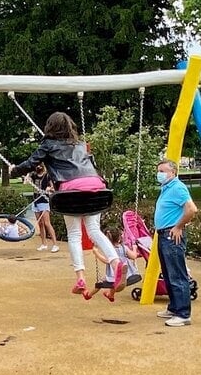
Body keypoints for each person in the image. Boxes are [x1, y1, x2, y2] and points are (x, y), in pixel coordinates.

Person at [10, 112, 123, 298]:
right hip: (97, 188)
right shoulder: (81, 145)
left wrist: (14, 171)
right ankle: (116, 262)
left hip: (71, 191)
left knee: (74, 234)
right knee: (94, 230)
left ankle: (80, 277)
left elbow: (31, 163)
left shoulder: (47, 144)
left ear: (49, 127)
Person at [154, 159, 198, 326]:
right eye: (159, 171)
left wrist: (179, 226)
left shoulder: (178, 188)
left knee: (177, 274)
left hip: (171, 235)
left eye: (163, 171)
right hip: (164, 234)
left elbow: (192, 209)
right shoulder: (167, 188)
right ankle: (174, 307)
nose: (160, 174)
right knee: (168, 273)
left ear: (172, 172)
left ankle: (183, 314)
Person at [83, 227, 139, 302]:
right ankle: (111, 293)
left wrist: (96, 253)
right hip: (128, 273)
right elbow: (134, 256)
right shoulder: (123, 247)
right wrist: (134, 248)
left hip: (113, 273)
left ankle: (89, 295)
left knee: (101, 282)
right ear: (119, 237)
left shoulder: (110, 250)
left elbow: (106, 261)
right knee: (114, 282)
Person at [27, 164, 59, 252]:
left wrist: (49, 189)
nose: (38, 167)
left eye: (39, 166)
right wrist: (27, 177)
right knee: (40, 223)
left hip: (44, 201)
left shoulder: (47, 176)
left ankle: (55, 244)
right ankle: (44, 244)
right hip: (36, 201)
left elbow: (54, 188)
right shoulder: (33, 175)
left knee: (47, 223)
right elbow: (26, 180)